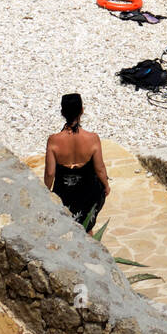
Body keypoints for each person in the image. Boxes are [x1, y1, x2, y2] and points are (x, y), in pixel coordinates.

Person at [44, 94, 110, 233]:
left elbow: (50, 173)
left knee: (66, 230)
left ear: (62, 112)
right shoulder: (92, 138)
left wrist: (46, 193)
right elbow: (100, 169)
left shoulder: (53, 140)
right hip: (88, 192)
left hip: (64, 193)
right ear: (82, 110)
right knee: (87, 229)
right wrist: (106, 185)